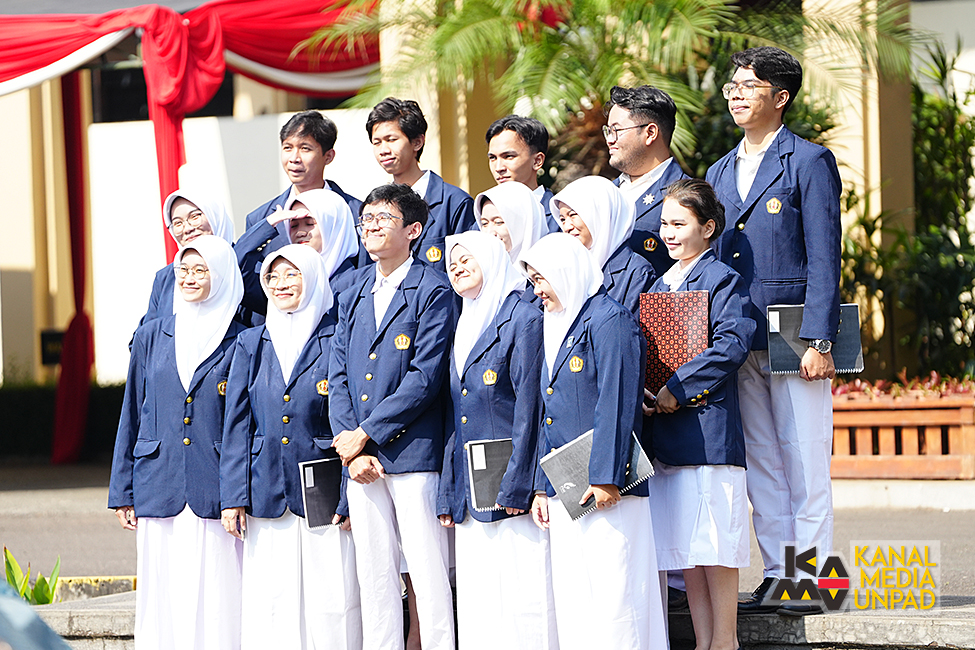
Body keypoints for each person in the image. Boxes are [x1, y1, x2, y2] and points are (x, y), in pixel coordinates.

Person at [706, 46, 841, 616]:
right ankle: (780, 576)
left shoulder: (808, 160)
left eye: (749, 86)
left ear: (780, 97)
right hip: (739, 336)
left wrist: (820, 339)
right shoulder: (718, 171)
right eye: (732, 86)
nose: (736, 95)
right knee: (762, 462)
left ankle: (817, 582)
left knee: (805, 460)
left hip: (795, 334)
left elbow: (825, 255)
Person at [521, 232, 667, 650]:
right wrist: (541, 487)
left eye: (541, 279)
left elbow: (617, 402)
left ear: (565, 271)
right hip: (565, 485)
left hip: (606, 485)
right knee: (577, 597)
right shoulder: (556, 323)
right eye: (532, 281)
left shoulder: (610, 320)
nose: (537, 290)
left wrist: (606, 477)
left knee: (617, 593)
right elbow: (546, 409)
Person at [329, 183, 456, 650]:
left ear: (413, 230)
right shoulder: (353, 291)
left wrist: (365, 433)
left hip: (411, 453)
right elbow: (338, 374)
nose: (371, 227)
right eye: (366, 219)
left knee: (426, 570)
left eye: (383, 218)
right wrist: (350, 445)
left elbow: (425, 377)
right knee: (374, 573)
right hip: (359, 457)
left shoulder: (434, 289)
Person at [220, 244, 362, 650]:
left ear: (313, 277)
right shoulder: (251, 343)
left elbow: (348, 413)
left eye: (292, 274)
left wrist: (349, 493)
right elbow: (237, 425)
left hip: (324, 486)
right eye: (273, 277)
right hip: (266, 484)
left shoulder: (337, 336)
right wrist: (233, 497)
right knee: (272, 600)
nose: (281, 284)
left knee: (332, 596)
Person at [109, 235, 245, 650]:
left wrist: (238, 493)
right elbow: (132, 411)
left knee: (219, 593)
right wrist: (122, 491)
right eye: (183, 269)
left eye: (201, 270)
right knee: (163, 595)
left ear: (221, 275)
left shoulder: (242, 339)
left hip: (214, 485)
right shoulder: (151, 335)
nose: (189, 278)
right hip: (159, 481)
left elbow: (242, 422)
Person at [646, 179, 756, 650]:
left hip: (708, 432)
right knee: (686, 550)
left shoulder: (723, 279)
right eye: (664, 223)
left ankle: (725, 641)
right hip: (667, 434)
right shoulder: (659, 283)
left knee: (716, 545)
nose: (668, 233)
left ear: (708, 228)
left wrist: (677, 387)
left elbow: (732, 344)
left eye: (680, 223)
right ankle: (704, 641)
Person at [436, 231, 557, 650]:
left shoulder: (522, 317)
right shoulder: (464, 321)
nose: (457, 268)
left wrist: (521, 483)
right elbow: (457, 414)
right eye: (452, 263)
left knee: (524, 594)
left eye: (466, 259)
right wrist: (449, 490)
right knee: (483, 599)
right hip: (473, 486)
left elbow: (531, 407)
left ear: (491, 258)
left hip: (510, 482)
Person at [367, 97, 476, 267]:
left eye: (391, 140)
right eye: (377, 142)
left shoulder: (454, 202)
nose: (383, 150)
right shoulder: (374, 206)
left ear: (417, 142)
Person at [604, 85, 690, 278]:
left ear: (650, 133)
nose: (609, 139)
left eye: (616, 130)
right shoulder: (604, 194)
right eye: (608, 131)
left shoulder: (689, 196)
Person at [236, 188, 361, 314]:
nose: (300, 232)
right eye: (293, 225)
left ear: (333, 226)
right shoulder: (280, 285)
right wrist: (268, 224)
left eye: (309, 223)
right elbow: (237, 273)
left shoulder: (357, 285)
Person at [551, 175, 655, 314]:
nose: (567, 227)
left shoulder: (638, 273)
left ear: (600, 214)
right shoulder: (570, 268)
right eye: (563, 219)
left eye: (573, 215)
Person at [138, 186, 235, 328]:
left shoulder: (244, 265)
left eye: (195, 217)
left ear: (214, 214)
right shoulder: (166, 278)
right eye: (178, 223)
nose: (188, 228)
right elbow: (147, 333)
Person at [485, 115, 559, 232]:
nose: (498, 168)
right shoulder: (483, 217)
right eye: (493, 158)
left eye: (509, 156)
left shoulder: (561, 218)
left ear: (537, 161)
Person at [473, 181, 547, 264]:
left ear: (522, 223)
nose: (490, 232)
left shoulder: (548, 267)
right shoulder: (480, 268)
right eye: (484, 223)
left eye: (498, 222)